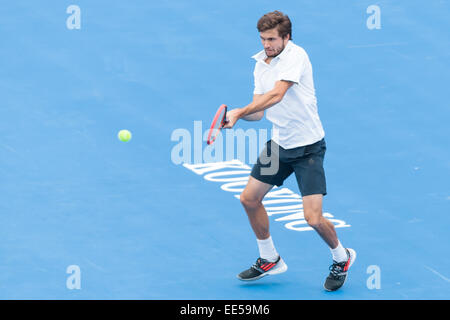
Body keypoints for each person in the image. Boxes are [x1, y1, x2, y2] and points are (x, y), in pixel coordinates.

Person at [222, 10, 356, 291]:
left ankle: (341, 257)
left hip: (308, 149)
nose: (266, 45)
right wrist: (237, 116)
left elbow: (277, 94)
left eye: (271, 39)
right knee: (249, 199)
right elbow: (259, 112)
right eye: (262, 39)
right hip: (279, 146)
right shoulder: (260, 64)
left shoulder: (297, 56)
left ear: (286, 37)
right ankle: (269, 257)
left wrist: (239, 111)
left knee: (313, 218)